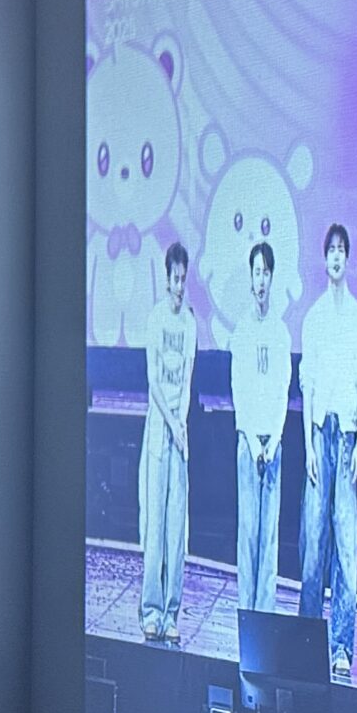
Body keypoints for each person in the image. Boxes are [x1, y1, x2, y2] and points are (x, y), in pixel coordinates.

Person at [297, 223, 357, 680]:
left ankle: (342, 645)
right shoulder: (314, 318)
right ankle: (308, 642)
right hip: (319, 434)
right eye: (331, 250)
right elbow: (307, 384)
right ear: (324, 258)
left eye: (343, 249)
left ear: (348, 257)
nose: (337, 257)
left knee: (346, 545)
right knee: (313, 543)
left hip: (345, 437)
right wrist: (308, 442)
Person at [228, 240, 293, 618]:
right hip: (249, 445)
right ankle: (245, 616)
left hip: (274, 445)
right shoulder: (241, 331)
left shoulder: (281, 332)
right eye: (257, 272)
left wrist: (275, 439)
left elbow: (284, 389)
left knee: (269, 539)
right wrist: (253, 442)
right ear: (250, 279)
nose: (262, 280)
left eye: (266, 272)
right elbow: (239, 389)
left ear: (272, 277)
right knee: (248, 534)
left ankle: (264, 618)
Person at [138, 241, 196, 646]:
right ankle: (151, 610)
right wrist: (172, 423)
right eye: (174, 279)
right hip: (159, 430)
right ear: (166, 278)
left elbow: (186, 381)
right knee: (155, 524)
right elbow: (153, 380)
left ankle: (172, 612)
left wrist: (183, 423)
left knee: (177, 526)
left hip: (179, 430)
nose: (178, 286)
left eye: (183, 280)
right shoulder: (156, 319)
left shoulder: (190, 324)